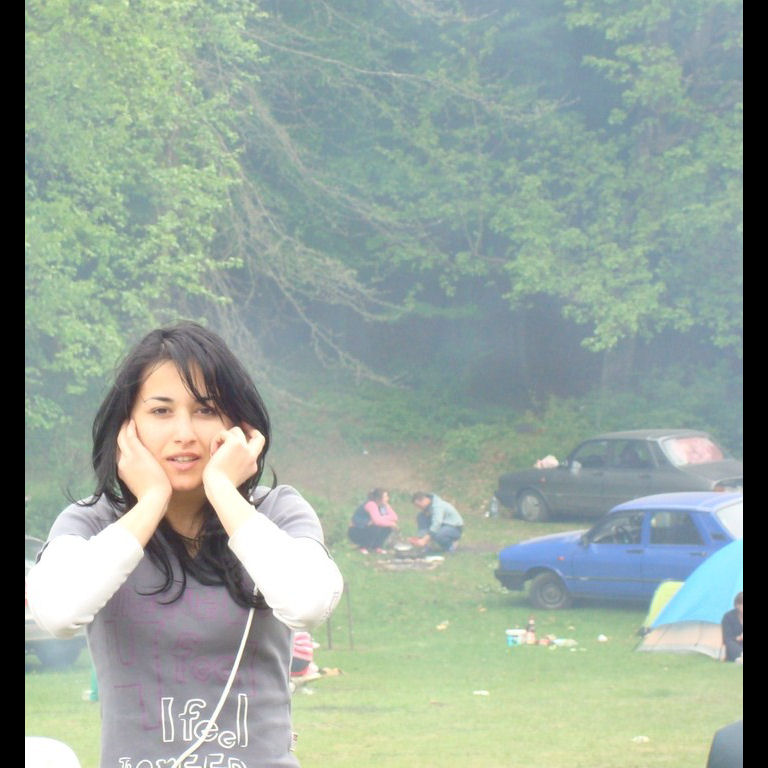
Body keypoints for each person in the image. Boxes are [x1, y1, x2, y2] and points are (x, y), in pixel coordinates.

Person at [26, 321, 344, 768]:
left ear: (237, 425)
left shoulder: (276, 513)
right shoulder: (91, 523)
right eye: (161, 411)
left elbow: (309, 604)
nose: (184, 433)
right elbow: (57, 613)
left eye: (206, 409)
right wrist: (151, 502)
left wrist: (223, 491)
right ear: (127, 426)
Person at [347, 488, 399, 554]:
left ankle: (377, 547)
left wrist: (383, 519)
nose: (388, 498)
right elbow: (377, 521)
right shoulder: (371, 504)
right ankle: (363, 547)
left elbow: (394, 517)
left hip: (368, 527)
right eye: (385, 497)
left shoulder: (383, 506)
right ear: (378, 498)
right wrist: (390, 522)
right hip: (357, 530)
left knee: (388, 527)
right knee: (375, 526)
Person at [721, 591, 743, 662]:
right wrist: (739, 638)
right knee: (729, 643)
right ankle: (741, 656)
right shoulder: (728, 617)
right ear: (737, 605)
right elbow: (727, 638)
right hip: (735, 645)